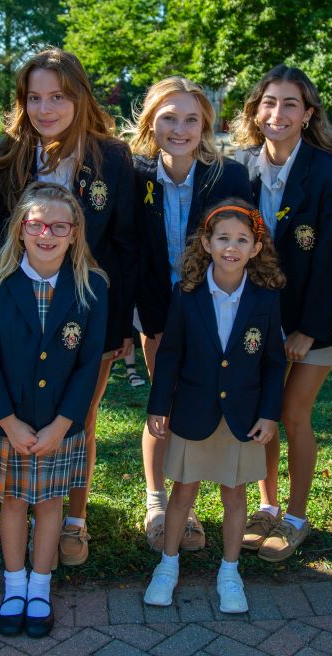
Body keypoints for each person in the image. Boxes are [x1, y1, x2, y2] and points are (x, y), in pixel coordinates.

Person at [0, 47, 135, 566]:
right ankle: (21, 508)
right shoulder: (8, 156)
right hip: (18, 314)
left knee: (79, 414)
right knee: (21, 406)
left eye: (58, 97)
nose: (45, 108)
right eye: (34, 97)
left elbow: (125, 244)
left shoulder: (111, 158)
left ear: (80, 98)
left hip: (87, 314)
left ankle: (73, 518)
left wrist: (120, 326)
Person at [0, 183, 108, 639]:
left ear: (74, 233)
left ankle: (40, 589)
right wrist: (7, 421)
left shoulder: (92, 287)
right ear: (20, 230)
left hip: (59, 424)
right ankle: (14, 587)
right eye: (36, 225)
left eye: (59, 227)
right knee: (13, 502)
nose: (46, 234)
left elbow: (89, 363)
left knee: (50, 503)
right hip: (9, 422)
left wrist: (63, 424)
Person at [232, 65, 332, 562]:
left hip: (317, 320)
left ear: (308, 114)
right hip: (261, 317)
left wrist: (307, 329)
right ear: (255, 111)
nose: (277, 113)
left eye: (290, 104)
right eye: (269, 102)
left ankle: (297, 517)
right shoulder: (239, 168)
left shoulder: (329, 175)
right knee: (264, 411)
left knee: (291, 412)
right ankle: (267, 506)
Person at [143, 199, 286, 613]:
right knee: (183, 492)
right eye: (223, 238)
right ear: (206, 243)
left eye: (242, 240)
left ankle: (230, 571)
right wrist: (159, 406)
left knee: (235, 494)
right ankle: (168, 565)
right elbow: (170, 355)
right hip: (193, 411)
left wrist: (269, 413)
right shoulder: (186, 294)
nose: (231, 247)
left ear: (255, 248)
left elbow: (273, 362)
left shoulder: (265, 299)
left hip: (242, 416)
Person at [129, 76, 253, 552]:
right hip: (156, 309)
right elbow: (129, 249)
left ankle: (189, 507)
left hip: (211, 311)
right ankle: (157, 502)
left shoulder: (228, 176)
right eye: (168, 118)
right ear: (150, 122)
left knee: (199, 404)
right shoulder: (135, 174)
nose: (179, 129)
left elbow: (240, 247)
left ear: (205, 125)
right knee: (164, 401)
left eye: (190, 119)